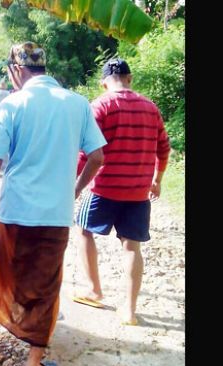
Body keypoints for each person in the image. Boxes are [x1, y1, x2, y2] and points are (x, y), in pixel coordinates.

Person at [0, 42, 106, 366]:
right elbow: (98, 156)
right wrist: (74, 188)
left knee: (0, 270)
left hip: (15, 210)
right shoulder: (77, 103)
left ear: (16, 70)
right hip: (55, 215)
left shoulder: (13, 103)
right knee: (44, 286)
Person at [73, 58, 171, 326]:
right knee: (131, 246)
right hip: (138, 190)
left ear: (103, 82)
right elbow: (163, 148)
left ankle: (94, 290)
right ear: (129, 78)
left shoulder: (101, 105)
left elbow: (88, 152)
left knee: (83, 230)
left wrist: (75, 184)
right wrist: (157, 179)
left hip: (104, 188)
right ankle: (128, 310)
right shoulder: (151, 108)